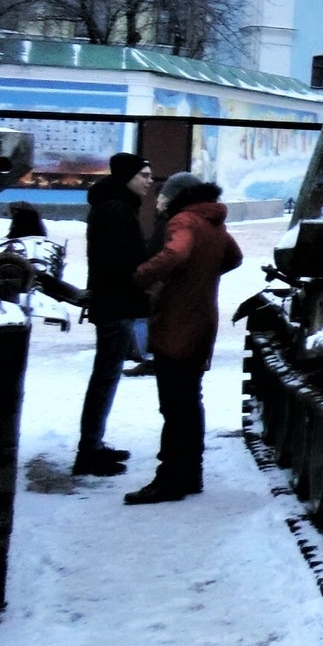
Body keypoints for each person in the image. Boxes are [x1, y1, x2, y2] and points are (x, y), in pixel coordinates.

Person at [123, 173, 241, 505]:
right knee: (189, 402)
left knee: (174, 405)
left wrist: (141, 275)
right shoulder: (212, 221)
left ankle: (170, 480)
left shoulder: (184, 220)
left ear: (177, 197)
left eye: (164, 195)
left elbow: (175, 254)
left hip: (176, 321)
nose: (159, 201)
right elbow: (234, 257)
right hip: (202, 319)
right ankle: (191, 474)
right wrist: (201, 277)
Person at [72, 154, 154, 477]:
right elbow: (122, 263)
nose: (149, 181)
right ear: (127, 177)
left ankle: (93, 444)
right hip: (115, 305)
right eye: (144, 175)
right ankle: (89, 450)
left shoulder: (114, 205)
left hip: (113, 303)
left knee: (105, 376)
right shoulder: (116, 210)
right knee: (105, 377)